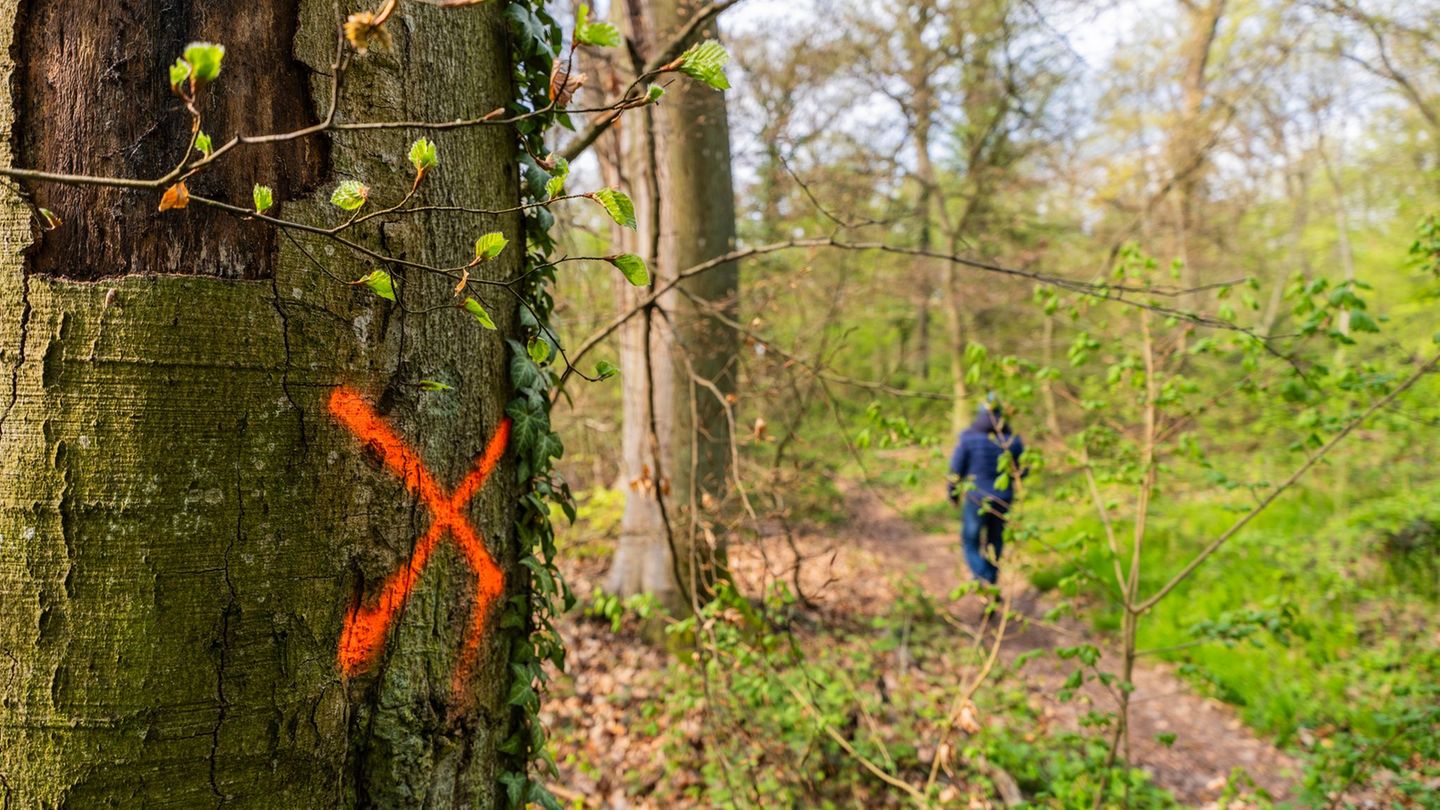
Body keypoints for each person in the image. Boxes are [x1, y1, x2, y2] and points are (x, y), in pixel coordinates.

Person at [948, 399, 1025, 586]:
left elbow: (955, 470)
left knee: (970, 541)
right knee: (995, 541)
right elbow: (1021, 471)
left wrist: (953, 494)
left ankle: (982, 576)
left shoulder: (968, 438)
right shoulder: (1012, 440)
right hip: (1003, 498)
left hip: (976, 498)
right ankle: (991, 580)